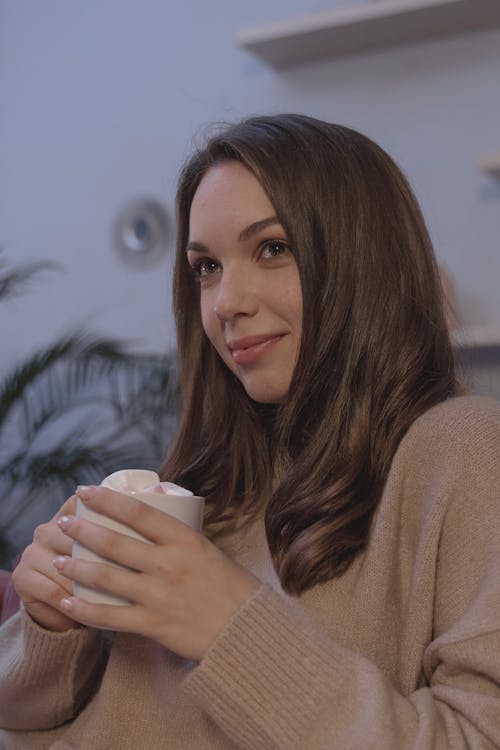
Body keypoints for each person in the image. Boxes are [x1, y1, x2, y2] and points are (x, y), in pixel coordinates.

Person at [1, 113, 499, 749]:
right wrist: (49, 627)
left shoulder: (466, 450)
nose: (224, 302)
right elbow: (28, 722)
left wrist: (226, 623)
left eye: (272, 248)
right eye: (206, 266)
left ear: (363, 259)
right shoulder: (207, 483)